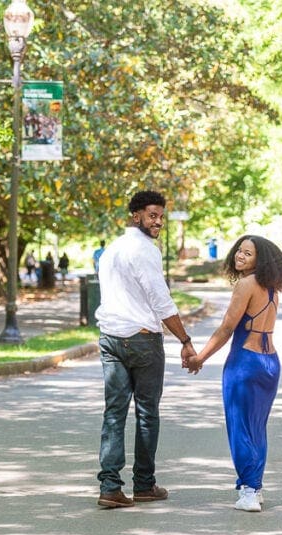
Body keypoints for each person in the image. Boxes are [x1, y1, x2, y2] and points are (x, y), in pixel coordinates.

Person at [94, 190, 197, 509]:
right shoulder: (145, 251)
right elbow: (160, 300)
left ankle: (110, 487)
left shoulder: (111, 250)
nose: (159, 222)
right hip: (141, 340)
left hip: (110, 337)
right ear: (135, 215)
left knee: (114, 412)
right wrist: (185, 340)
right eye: (153, 215)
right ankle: (143, 484)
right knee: (146, 413)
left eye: (162, 216)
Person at [186, 236, 282, 512]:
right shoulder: (271, 288)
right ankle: (255, 485)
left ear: (260, 260)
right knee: (257, 427)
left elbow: (226, 329)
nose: (240, 256)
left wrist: (199, 358)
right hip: (270, 363)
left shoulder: (246, 285)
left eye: (248, 253)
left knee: (240, 427)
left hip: (246, 363)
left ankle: (248, 491)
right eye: (239, 251)